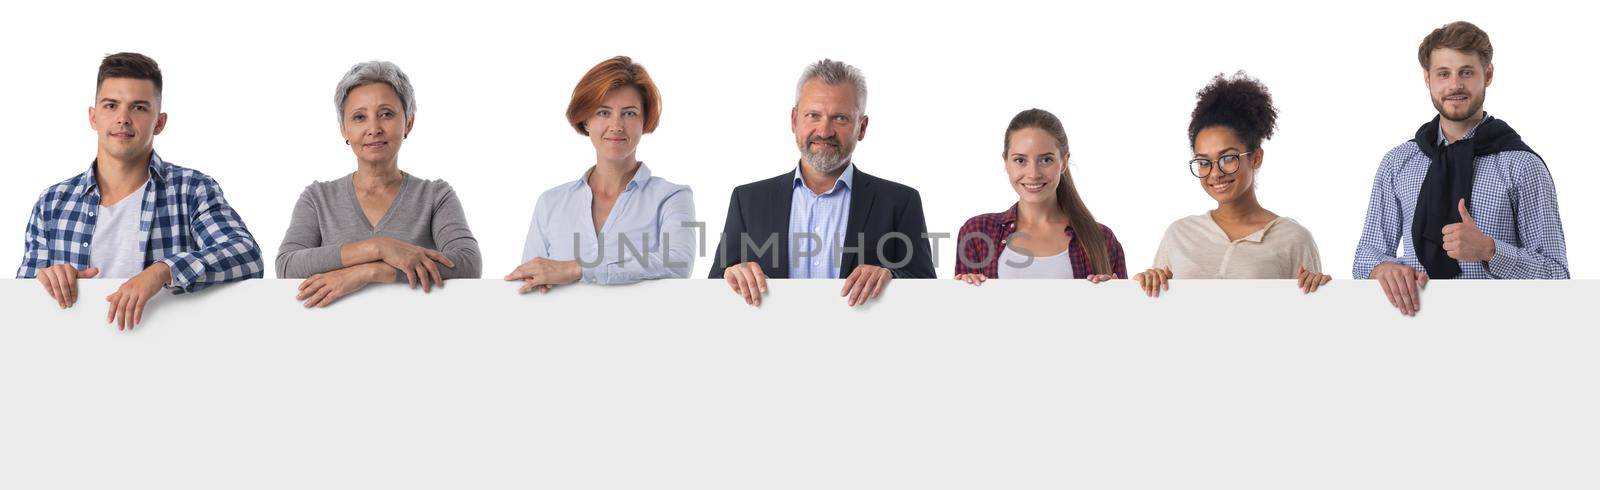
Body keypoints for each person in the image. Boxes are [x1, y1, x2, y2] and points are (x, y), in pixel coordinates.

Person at [17, 52, 264, 330]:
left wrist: (163, 271)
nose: (123, 118)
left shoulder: (192, 190)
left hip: (169, 353)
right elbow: (21, 306)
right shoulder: (52, 203)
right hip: (75, 353)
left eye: (139, 108)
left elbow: (247, 255)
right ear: (93, 116)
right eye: (111, 105)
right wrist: (48, 280)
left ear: (159, 122)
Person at [1353, 21, 1567, 316]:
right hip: (1410, 333)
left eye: (1467, 72)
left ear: (1487, 74)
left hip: (1501, 335)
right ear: (1427, 78)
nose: (1455, 85)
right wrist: (1381, 269)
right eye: (1444, 74)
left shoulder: (1522, 165)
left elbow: (1558, 277)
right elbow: (1366, 257)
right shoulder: (1398, 164)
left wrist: (1490, 251)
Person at [709, 59, 935, 307]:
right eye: (813, 115)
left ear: (862, 127)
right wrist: (731, 275)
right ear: (794, 120)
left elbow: (927, 292)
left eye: (840, 118)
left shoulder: (900, 203)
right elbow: (713, 288)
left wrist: (891, 277)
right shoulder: (748, 200)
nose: (824, 131)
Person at [276, 60, 482, 307]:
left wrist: (371, 273)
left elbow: (468, 263)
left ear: (408, 123)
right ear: (344, 129)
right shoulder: (317, 198)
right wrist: (378, 247)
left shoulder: (436, 196)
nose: (374, 128)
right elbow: (287, 265)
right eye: (359, 117)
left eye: (386, 114)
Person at [506, 56, 694, 293]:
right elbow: (529, 282)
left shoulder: (672, 197)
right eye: (604, 113)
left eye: (629, 114)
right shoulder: (550, 203)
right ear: (585, 120)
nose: (616, 125)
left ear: (644, 120)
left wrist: (578, 269)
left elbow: (678, 263)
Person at [1134, 72, 1331, 297]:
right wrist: (1148, 284)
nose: (1215, 173)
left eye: (1228, 158)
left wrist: (1321, 289)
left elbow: (1309, 318)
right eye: (1204, 162)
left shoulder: (1294, 239)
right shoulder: (1179, 234)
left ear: (1256, 158)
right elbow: (1157, 310)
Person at [954, 108, 1127, 285]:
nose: (1033, 173)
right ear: (1006, 162)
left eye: (1046, 160)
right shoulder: (977, 232)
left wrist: (1112, 294)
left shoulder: (1101, 239)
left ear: (1064, 162)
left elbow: (1124, 311)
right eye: (1020, 160)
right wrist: (964, 288)